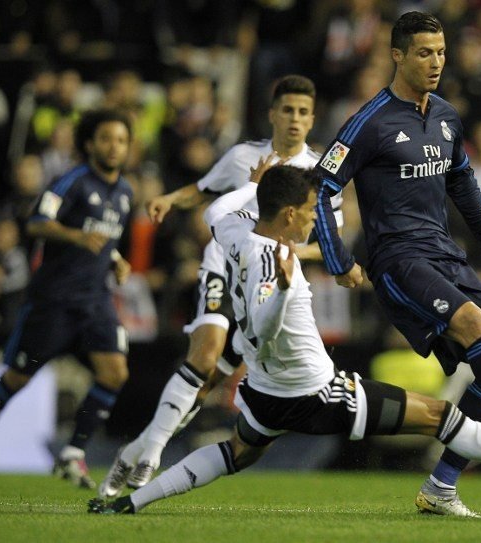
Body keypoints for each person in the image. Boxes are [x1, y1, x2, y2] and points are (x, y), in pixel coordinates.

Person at [87, 163, 481, 515]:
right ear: (291, 214)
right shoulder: (280, 261)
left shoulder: (236, 239)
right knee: (439, 418)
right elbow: (268, 323)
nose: (316, 217)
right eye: (311, 209)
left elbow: (214, 211)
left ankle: (131, 503)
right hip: (316, 390)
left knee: (235, 454)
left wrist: (258, 185)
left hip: (266, 394)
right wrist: (283, 292)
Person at [313, 12, 481, 517]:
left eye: (442, 52)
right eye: (425, 53)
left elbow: (463, 185)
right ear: (398, 56)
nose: (436, 62)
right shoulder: (370, 120)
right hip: (397, 259)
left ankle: (441, 485)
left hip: (447, 254)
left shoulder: (448, 116)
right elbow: (321, 187)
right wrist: (338, 257)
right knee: (476, 327)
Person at [97, 75, 343, 497]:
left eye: (303, 112)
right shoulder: (244, 156)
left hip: (267, 283)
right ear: (272, 114)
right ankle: (153, 452)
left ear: (313, 117)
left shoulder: (319, 171)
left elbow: (331, 240)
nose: (295, 119)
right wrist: (171, 200)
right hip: (223, 265)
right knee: (205, 354)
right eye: (287, 110)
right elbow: (203, 190)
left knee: (211, 382)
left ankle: (135, 448)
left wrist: (290, 255)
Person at [0, 109, 134, 489]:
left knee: (115, 373)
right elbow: (36, 222)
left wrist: (117, 261)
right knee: (18, 378)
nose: (114, 147)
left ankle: (72, 454)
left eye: (121, 140)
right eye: (106, 138)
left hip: (96, 301)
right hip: (54, 301)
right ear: (89, 144)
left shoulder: (125, 192)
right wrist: (74, 236)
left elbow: (106, 240)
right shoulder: (73, 182)